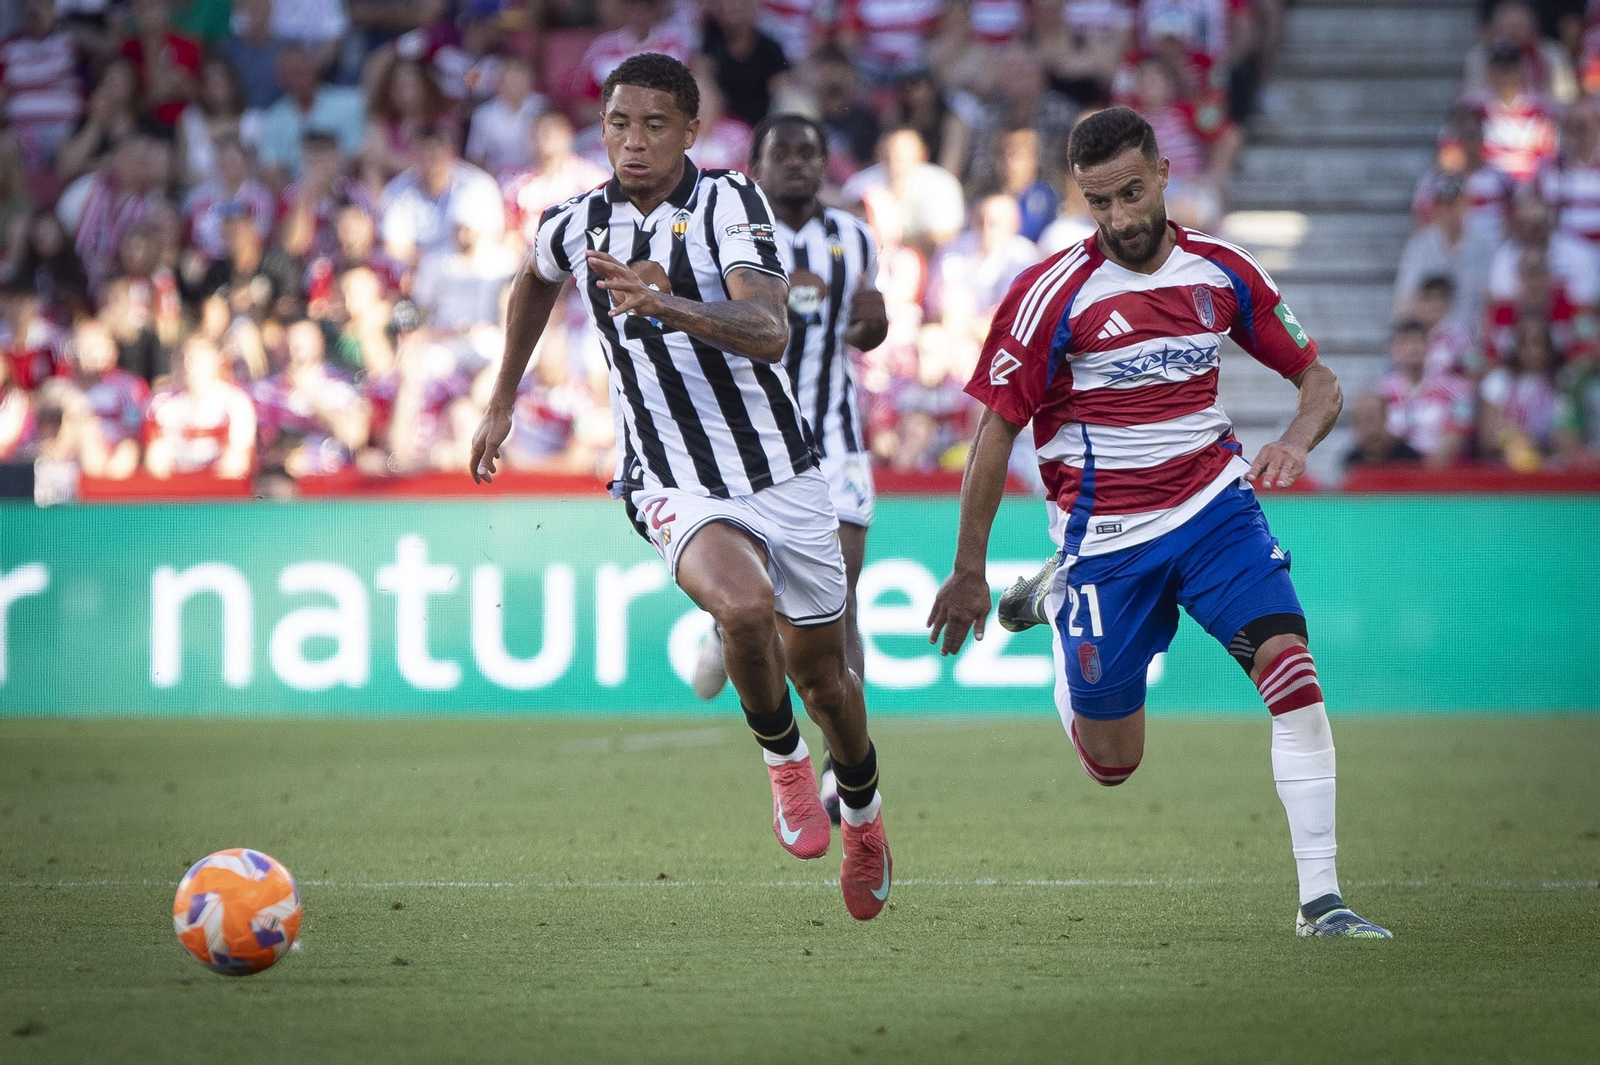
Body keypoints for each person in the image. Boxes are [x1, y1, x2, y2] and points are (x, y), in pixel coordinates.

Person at [925, 106, 1392, 938]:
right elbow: (995, 431)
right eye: (1100, 202)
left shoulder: (1222, 271)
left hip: (1217, 512)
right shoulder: (1048, 295)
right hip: (1105, 543)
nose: (1121, 218)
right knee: (1114, 763)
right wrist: (969, 569)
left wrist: (1292, 440)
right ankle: (1059, 604)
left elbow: (1319, 380)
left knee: (1293, 675)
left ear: (1164, 174)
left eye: (1132, 194)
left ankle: (1322, 900)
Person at [468, 54, 892, 920]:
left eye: (655, 124)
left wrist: (669, 306)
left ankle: (868, 817)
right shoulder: (576, 221)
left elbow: (768, 329)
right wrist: (501, 397)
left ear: (691, 131)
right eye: (619, 123)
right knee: (740, 609)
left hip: (783, 470)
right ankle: (783, 768)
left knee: (828, 682)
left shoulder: (732, 202)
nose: (633, 141)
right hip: (668, 475)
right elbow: (533, 281)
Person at [691, 113, 890, 821]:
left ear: (825, 163)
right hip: (747, 438)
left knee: (840, 594)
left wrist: (874, 320)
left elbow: (867, 325)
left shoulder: (853, 235)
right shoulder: (730, 232)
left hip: (832, 436)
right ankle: (734, 637)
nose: (798, 164)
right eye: (784, 153)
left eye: (810, 152)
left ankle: (843, 761)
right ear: (757, 163)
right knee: (769, 601)